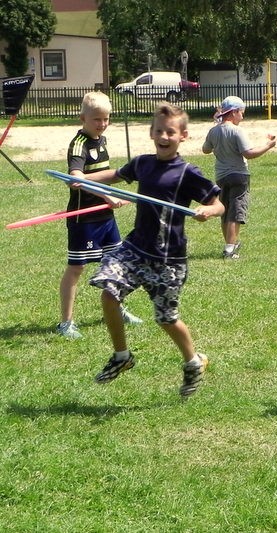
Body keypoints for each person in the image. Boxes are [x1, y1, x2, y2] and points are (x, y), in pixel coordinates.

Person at [85, 103, 225, 398]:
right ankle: (122, 356)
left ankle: (193, 361)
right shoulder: (143, 164)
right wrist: (81, 179)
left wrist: (207, 211)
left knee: (166, 318)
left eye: (170, 132)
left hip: (168, 260)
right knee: (109, 292)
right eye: (159, 131)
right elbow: (115, 175)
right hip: (135, 248)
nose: (164, 136)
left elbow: (219, 204)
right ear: (151, 132)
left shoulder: (187, 172)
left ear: (183, 136)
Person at [57, 91, 142, 340]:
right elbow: (77, 179)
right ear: (82, 118)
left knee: (115, 264)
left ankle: (116, 310)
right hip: (83, 219)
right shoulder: (79, 144)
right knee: (77, 268)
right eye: (97, 119)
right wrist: (107, 197)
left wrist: (112, 196)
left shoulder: (101, 140)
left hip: (105, 217)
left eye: (106, 119)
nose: (102, 124)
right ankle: (66, 323)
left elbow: (103, 177)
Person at [202, 95, 276, 260]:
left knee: (225, 211)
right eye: (242, 112)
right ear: (234, 112)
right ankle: (230, 249)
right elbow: (248, 153)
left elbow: (205, 149)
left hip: (221, 177)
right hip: (239, 176)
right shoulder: (237, 131)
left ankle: (230, 244)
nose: (242, 116)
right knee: (235, 213)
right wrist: (268, 146)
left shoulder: (213, 131)